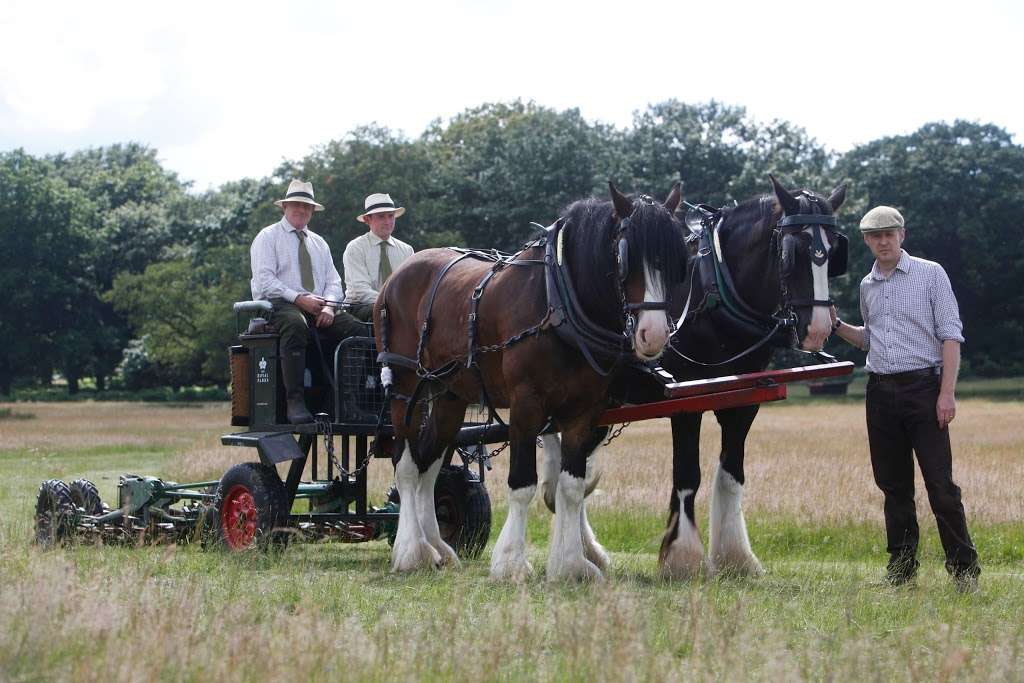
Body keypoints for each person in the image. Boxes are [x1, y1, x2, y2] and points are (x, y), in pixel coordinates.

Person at [831, 205, 980, 592]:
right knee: (894, 488)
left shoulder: (931, 274)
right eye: (875, 236)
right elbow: (871, 338)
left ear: (902, 236)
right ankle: (901, 572)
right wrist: (837, 326)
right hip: (879, 392)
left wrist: (946, 394)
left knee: (941, 487)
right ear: (866, 241)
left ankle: (964, 573)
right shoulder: (867, 285)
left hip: (924, 391)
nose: (883, 241)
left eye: (889, 234)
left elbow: (950, 335)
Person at [250, 180, 365, 424]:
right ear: (285, 207)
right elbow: (265, 280)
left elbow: (335, 282)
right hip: (278, 303)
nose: (301, 210)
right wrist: (299, 299)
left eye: (306, 207)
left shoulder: (319, 243)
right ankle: (295, 402)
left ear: (312, 211)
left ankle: (344, 403)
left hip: (320, 306)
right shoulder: (267, 237)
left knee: (356, 331)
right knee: (295, 324)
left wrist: (330, 307)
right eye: (296, 206)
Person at [343, 193, 415, 320]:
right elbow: (361, 291)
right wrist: (392, 302)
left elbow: (411, 286)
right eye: (381, 217)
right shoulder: (355, 248)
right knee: (385, 314)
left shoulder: (407, 250)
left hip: (398, 307)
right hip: (360, 307)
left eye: (391, 216)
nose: (388, 222)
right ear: (367, 220)